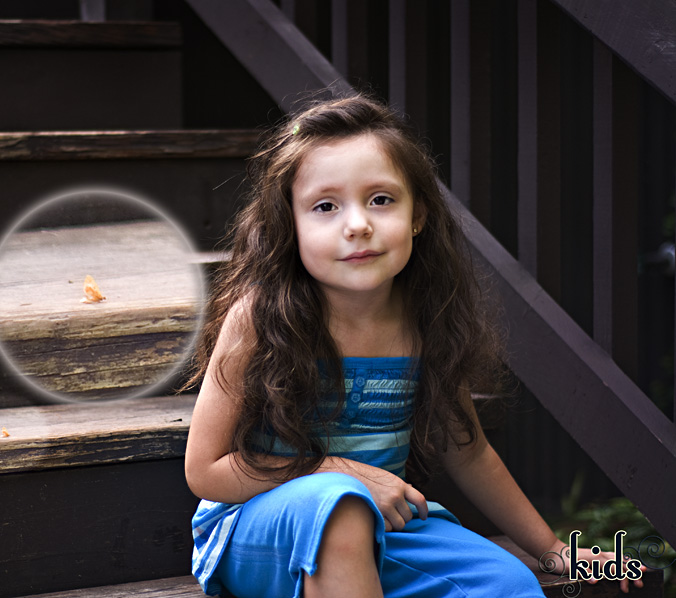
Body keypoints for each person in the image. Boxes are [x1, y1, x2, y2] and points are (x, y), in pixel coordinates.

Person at [183, 94, 643, 598]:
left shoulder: (424, 320)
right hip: (255, 532)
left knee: (507, 584)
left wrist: (554, 550)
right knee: (338, 504)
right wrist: (344, 473)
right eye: (325, 206)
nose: (357, 224)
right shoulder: (261, 317)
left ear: (418, 215)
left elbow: (467, 451)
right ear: (290, 228)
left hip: (386, 528)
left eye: (381, 199)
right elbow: (205, 471)